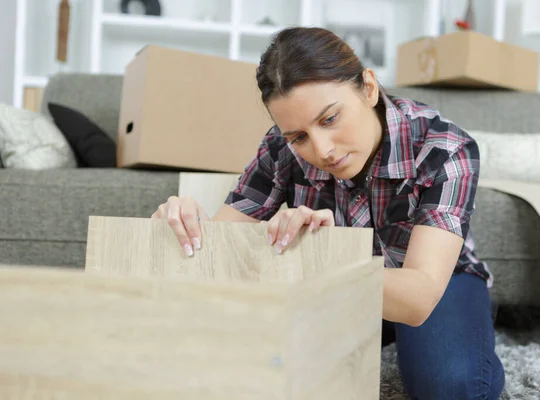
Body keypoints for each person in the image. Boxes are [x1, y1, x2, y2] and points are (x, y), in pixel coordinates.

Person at [151, 26, 505, 399]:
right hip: (333, 284)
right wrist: (186, 222)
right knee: (255, 366)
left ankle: (472, 330)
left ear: (368, 88)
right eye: (299, 136)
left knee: (454, 385)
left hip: (429, 281)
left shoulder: (445, 148)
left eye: (330, 119)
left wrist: (316, 258)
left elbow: (417, 298)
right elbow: (222, 245)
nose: (322, 150)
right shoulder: (280, 147)